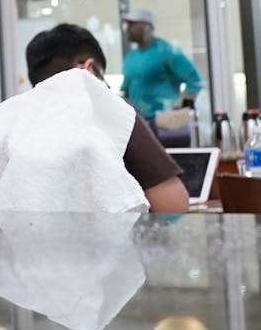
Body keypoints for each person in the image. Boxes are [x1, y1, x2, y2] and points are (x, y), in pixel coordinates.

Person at [26, 23, 188, 213]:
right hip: (108, 240)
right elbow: (172, 205)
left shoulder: (18, 119)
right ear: (88, 68)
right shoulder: (112, 110)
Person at [118, 8, 204, 138]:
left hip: (164, 127)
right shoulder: (131, 57)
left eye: (133, 24)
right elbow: (126, 91)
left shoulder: (167, 51)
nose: (128, 28)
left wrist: (177, 109)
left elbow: (195, 81)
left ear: (148, 26)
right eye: (128, 24)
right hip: (138, 125)